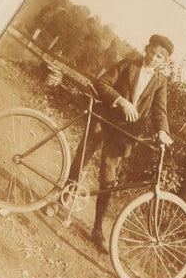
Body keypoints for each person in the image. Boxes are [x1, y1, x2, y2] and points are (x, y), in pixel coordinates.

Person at [65, 34, 176, 251]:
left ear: (164, 62)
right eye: (153, 52)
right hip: (104, 119)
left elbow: (159, 111)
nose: (154, 58)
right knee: (81, 159)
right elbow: (103, 83)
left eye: (160, 57)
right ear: (146, 49)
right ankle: (61, 199)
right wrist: (121, 101)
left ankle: (97, 230)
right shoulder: (128, 64)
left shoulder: (160, 82)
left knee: (108, 179)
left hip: (124, 133)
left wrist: (162, 131)